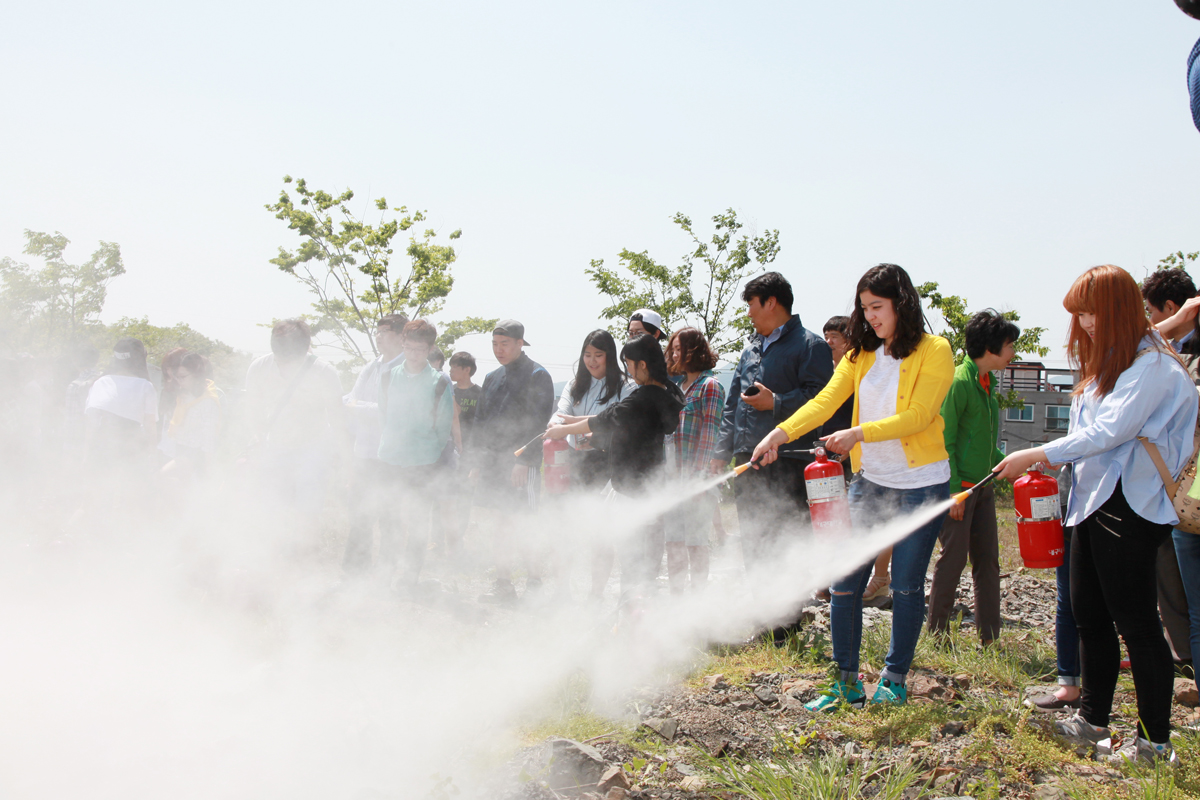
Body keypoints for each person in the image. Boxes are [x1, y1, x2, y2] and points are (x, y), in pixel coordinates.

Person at [994, 264, 1197, 764]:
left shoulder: (1152, 366)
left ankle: (1154, 743)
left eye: (1092, 313)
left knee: (1137, 624)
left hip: (1130, 503)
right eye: (1079, 314)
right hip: (1092, 500)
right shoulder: (1115, 360)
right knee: (1089, 614)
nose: (1084, 323)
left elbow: (1109, 432)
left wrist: (1038, 453)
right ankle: (1092, 721)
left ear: (1118, 311)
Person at [752, 263, 955, 707]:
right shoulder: (859, 354)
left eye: (878, 306)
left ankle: (894, 680)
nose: (870, 316)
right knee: (844, 583)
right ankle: (845, 682)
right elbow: (825, 402)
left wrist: (858, 433)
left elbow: (919, 416)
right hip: (871, 483)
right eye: (864, 308)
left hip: (921, 486)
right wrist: (779, 434)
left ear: (902, 303)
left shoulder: (935, 349)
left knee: (905, 585)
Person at [710, 271, 834, 644]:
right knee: (754, 538)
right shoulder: (751, 348)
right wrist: (723, 452)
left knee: (785, 537)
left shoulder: (810, 346)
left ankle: (787, 623)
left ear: (771, 302)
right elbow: (732, 406)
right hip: (748, 461)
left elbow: (821, 401)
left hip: (788, 460)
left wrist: (776, 403)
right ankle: (765, 618)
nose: (748, 313)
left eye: (751, 305)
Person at [546, 334, 684, 613]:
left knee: (631, 552)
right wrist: (572, 421)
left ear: (642, 365)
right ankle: (631, 607)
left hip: (630, 487)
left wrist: (564, 430)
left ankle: (631, 611)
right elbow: (613, 418)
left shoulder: (642, 397)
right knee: (634, 549)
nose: (628, 370)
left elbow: (605, 419)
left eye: (630, 364)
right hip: (646, 483)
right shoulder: (665, 393)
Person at [927, 310, 1018, 646]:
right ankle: (937, 636)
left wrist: (1011, 465)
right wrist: (953, 491)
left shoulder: (987, 383)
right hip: (960, 490)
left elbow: (984, 443)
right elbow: (945, 441)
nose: (1012, 353)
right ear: (991, 348)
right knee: (953, 561)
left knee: (988, 563)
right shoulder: (959, 382)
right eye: (1009, 346)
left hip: (983, 487)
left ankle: (989, 639)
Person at [468, 320, 556, 604]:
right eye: (495, 344)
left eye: (504, 344)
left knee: (525, 523)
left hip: (521, 465)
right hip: (493, 462)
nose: (499, 350)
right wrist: (477, 461)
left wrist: (526, 461)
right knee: (500, 524)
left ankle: (535, 585)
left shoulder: (537, 375)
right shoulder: (492, 377)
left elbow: (539, 421)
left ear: (520, 343)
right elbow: (480, 421)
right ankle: (503, 585)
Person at [1141, 269, 1197, 671]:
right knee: (1169, 568)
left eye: (1152, 312)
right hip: (1170, 484)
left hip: (1189, 485)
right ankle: (1184, 656)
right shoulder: (1168, 349)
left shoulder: (1182, 354)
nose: (1150, 321)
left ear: (1171, 308)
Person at [552, 330, 635, 601]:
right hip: (574, 462)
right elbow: (561, 413)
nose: (592, 361)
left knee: (600, 533)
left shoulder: (626, 386)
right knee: (565, 529)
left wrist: (593, 432)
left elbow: (624, 425)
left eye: (598, 355)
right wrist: (556, 423)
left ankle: (595, 595)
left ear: (610, 356)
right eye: (587, 355)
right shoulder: (575, 384)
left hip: (606, 464)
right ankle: (562, 591)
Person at [377, 320, 455, 591]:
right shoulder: (388, 376)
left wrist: (429, 449)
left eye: (419, 349)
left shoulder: (439, 382)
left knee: (419, 521)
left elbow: (444, 424)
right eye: (408, 348)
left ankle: (409, 578)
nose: (413, 354)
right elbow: (382, 414)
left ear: (430, 349)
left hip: (423, 461)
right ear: (402, 344)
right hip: (389, 457)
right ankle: (385, 574)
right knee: (388, 519)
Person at [243, 319, 348, 519]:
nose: (286, 365)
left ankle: (306, 537)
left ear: (306, 348)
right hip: (274, 447)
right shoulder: (259, 368)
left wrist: (344, 459)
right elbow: (253, 411)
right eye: (281, 359)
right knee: (272, 511)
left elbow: (338, 420)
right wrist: (258, 438)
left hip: (314, 448)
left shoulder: (324, 372)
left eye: (291, 360)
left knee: (307, 512)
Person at [341, 313, 407, 575]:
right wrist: (356, 406)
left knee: (389, 517)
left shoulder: (406, 369)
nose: (378, 336)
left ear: (401, 337)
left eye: (385, 331)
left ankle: (386, 574)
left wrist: (356, 406)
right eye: (377, 331)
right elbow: (350, 400)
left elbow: (390, 411)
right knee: (359, 515)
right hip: (363, 453)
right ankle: (353, 573)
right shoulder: (371, 366)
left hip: (391, 457)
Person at [664, 328, 725, 595]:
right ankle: (677, 598)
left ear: (695, 351)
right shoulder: (677, 388)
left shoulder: (710, 386)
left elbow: (710, 435)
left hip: (697, 480)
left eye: (680, 349)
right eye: (673, 349)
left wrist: (698, 481)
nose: (675, 354)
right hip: (673, 480)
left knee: (695, 542)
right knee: (673, 542)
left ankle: (697, 599)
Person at [84, 338, 159, 469]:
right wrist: (153, 456)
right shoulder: (145, 386)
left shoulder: (101, 382)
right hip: (132, 452)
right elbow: (150, 426)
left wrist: (86, 456)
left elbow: (91, 423)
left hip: (102, 450)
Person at [161, 352, 222, 477]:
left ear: (196, 375)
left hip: (196, 455)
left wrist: (207, 466)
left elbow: (209, 437)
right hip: (180, 450)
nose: (179, 381)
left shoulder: (208, 401)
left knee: (163, 476)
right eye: (177, 377)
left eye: (182, 377)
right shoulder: (184, 396)